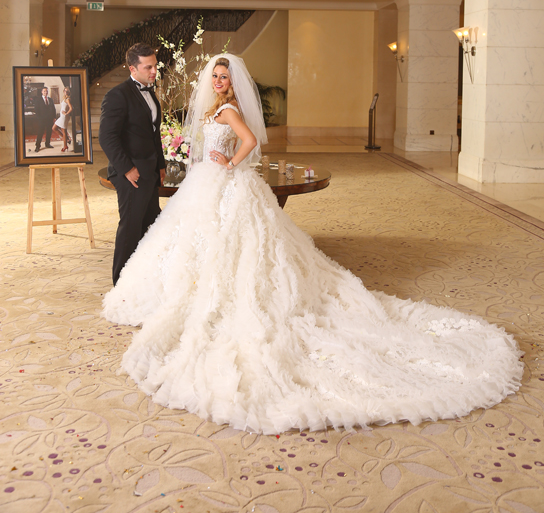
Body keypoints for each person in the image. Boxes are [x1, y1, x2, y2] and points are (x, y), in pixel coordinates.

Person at [103, 54, 523, 435]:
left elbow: (250, 142)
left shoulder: (229, 110)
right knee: (192, 240)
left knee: (234, 247)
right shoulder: (214, 108)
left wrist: (229, 163)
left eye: (223, 76)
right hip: (205, 184)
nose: (217, 81)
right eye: (214, 76)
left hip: (225, 182)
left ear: (233, 82)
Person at [99, 43, 166, 285]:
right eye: (148, 67)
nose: (154, 71)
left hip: (149, 171)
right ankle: (121, 284)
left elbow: (153, 134)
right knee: (130, 228)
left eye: (155, 65)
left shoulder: (150, 92)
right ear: (132, 68)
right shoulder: (117, 95)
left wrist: (160, 165)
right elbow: (107, 137)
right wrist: (127, 169)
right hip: (131, 173)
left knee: (152, 224)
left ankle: (142, 279)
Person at [34, 86, 56, 152]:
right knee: (40, 132)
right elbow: (36, 110)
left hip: (49, 119)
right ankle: (38, 146)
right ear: (42, 92)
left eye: (46, 91)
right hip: (42, 119)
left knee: (49, 132)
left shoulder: (50, 99)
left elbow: (53, 109)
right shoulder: (38, 100)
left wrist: (54, 117)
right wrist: (39, 118)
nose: (45, 92)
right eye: (44, 91)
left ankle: (47, 144)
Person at [54, 88, 73, 152]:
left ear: (69, 92)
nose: (66, 92)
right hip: (61, 116)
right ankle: (67, 139)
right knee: (54, 128)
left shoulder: (68, 99)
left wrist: (66, 113)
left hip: (64, 117)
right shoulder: (64, 98)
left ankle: (65, 146)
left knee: (64, 131)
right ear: (63, 91)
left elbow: (71, 108)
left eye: (67, 91)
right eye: (65, 90)